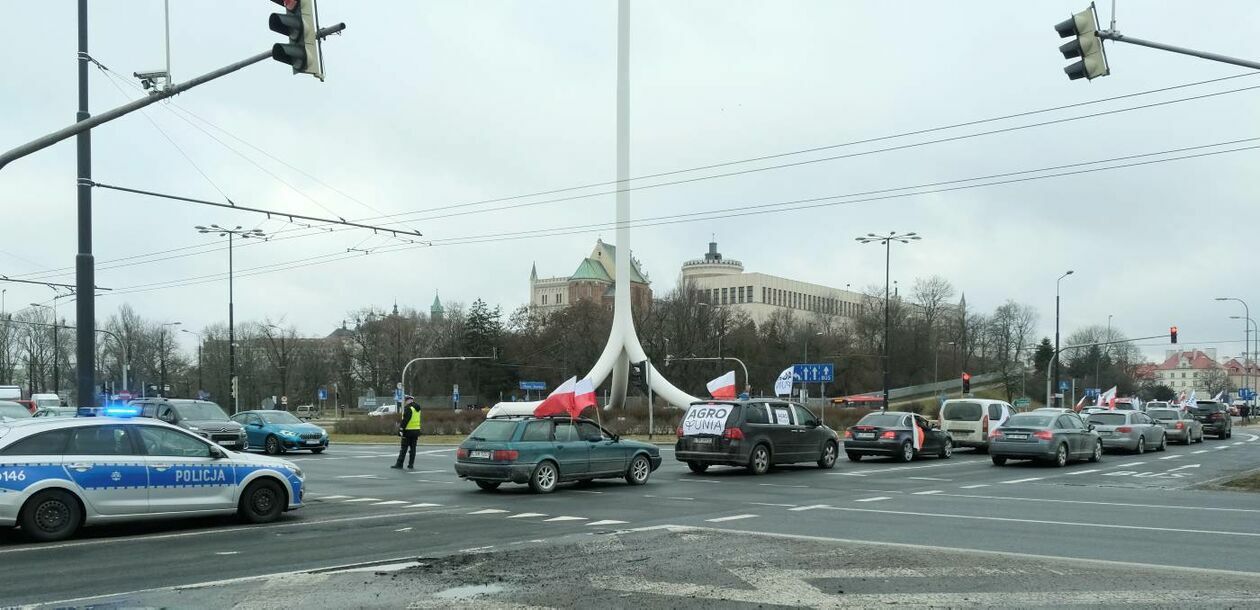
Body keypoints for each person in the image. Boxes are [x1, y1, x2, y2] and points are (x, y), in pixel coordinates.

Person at [391, 395, 422, 470]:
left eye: (406, 401)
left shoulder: (408, 408)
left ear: (408, 400)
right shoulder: (418, 408)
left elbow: (405, 420)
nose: (405, 402)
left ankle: (399, 464)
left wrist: (401, 429)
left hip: (408, 431)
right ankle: (411, 465)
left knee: (403, 448)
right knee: (413, 449)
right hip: (416, 431)